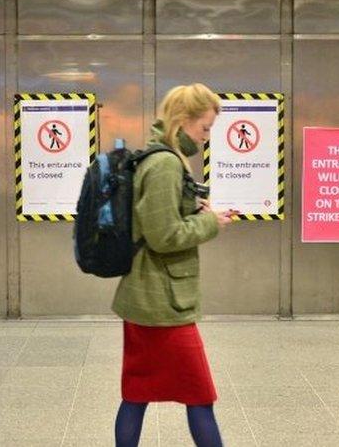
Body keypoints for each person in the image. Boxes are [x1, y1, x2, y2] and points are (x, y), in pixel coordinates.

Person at [111, 83, 235, 447]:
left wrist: (193, 210)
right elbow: (163, 236)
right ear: (183, 121)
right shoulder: (165, 162)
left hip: (147, 297)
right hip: (161, 304)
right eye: (205, 127)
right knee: (200, 394)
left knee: (137, 392)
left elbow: (157, 219)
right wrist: (212, 223)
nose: (206, 136)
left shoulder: (161, 156)